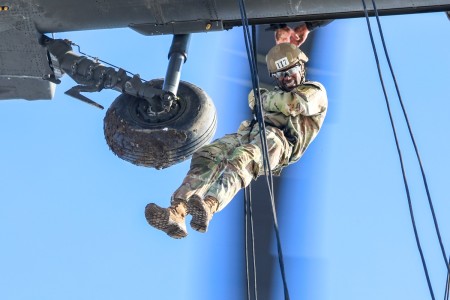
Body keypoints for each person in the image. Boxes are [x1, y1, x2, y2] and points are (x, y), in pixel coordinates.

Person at [145, 43, 328, 239]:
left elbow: (294, 104)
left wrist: (265, 100)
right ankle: (178, 211)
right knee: (208, 154)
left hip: (278, 142)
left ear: (301, 67)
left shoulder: (315, 90)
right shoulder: (272, 93)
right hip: (250, 133)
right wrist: (265, 99)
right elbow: (256, 99)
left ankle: (209, 205)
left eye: (290, 71)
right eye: (280, 75)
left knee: (242, 159)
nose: (287, 78)